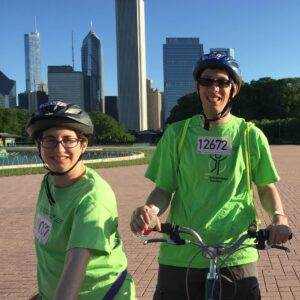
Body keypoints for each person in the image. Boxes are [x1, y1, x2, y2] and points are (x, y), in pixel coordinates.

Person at [130, 52, 291, 300]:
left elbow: (266, 187)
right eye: (206, 81)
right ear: (197, 87)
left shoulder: (250, 135)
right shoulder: (177, 134)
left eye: (222, 82)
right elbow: (163, 189)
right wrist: (150, 210)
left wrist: (279, 218)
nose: (213, 88)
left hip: (236, 252)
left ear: (233, 89)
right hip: (182, 251)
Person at [27, 100, 136, 300]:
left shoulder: (93, 196)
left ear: (83, 145)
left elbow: (75, 263)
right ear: (38, 146)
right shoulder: (49, 183)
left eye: (68, 140)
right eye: (50, 140)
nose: (59, 149)